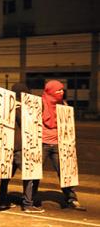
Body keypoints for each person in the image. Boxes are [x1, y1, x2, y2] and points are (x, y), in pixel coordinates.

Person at [0, 83, 44, 213]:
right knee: (29, 175)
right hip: (20, 147)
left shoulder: (7, 106)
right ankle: (27, 204)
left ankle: (2, 200)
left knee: (6, 175)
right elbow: (26, 124)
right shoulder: (18, 109)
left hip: (8, 146)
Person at [41, 80, 86, 211]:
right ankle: (29, 200)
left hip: (59, 144)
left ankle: (72, 198)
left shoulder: (64, 105)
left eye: (62, 90)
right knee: (35, 172)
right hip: (42, 143)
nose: (61, 92)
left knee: (65, 172)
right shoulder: (40, 104)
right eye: (58, 90)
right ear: (50, 91)